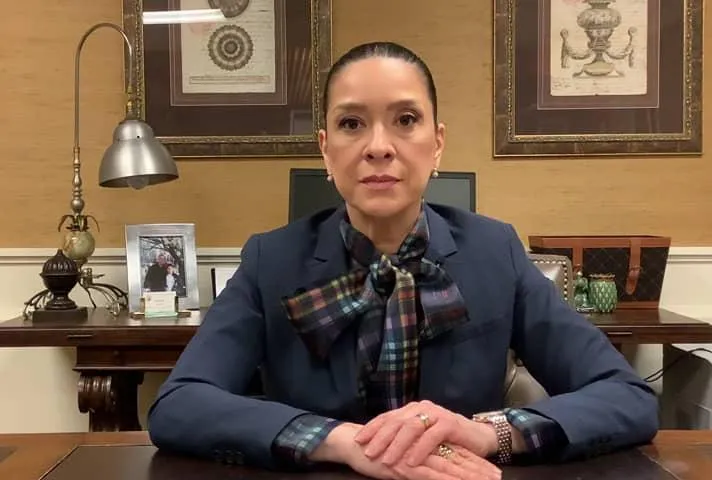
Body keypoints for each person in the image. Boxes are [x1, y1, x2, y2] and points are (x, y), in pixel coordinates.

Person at [147, 41, 658, 479]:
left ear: (437, 144)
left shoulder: (495, 251)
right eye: (351, 123)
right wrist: (342, 442)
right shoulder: (270, 259)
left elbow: (626, 396)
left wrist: (486, 433)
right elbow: (179, 404)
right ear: (325, 150)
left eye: (406, 120)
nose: (378, 147)